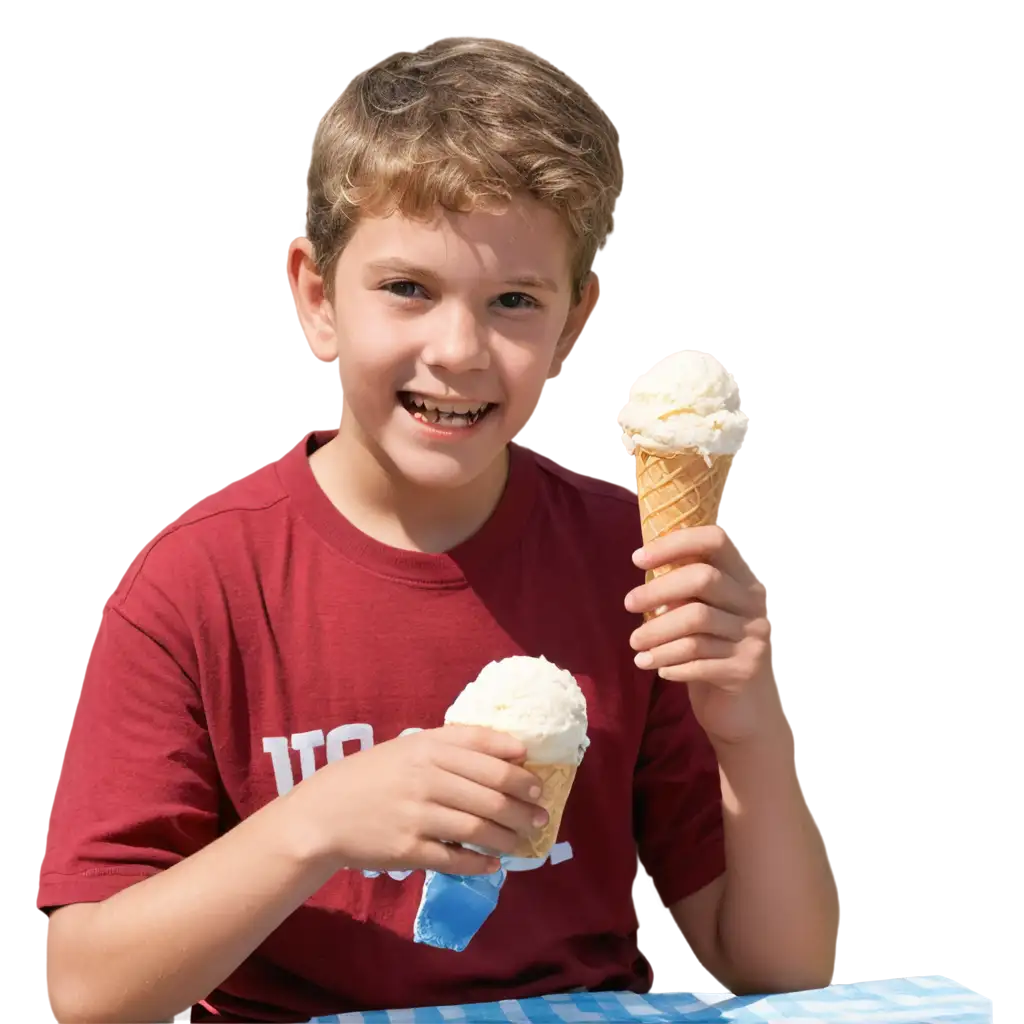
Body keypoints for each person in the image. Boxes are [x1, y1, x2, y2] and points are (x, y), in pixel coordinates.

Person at [35, 35, 838, 1024]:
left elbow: (773, 965)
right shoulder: (198, 583)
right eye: (408, 289)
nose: (458, 350)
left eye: (512, 302)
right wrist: (314, 826)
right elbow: (82, 989)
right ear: (315, 293)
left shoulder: (629, 568)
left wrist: (744, 730)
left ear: (570, 320)